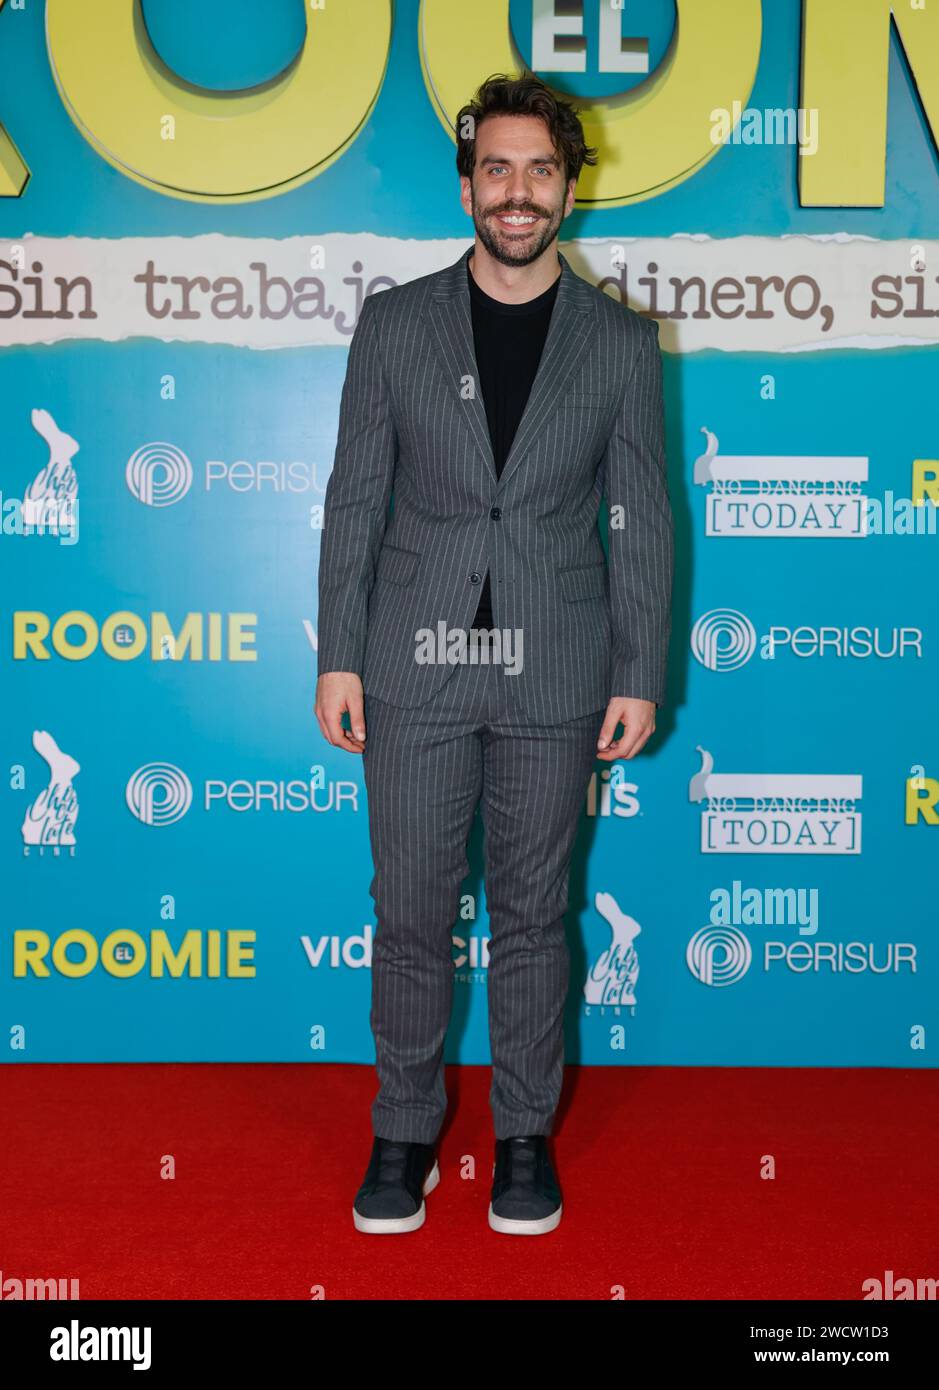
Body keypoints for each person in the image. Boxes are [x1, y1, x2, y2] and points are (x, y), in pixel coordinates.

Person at [315, 73, 674, 1236]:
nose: (517, 192)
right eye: (496, 169)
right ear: (468, 184)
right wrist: (338, 653)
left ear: (571, 187)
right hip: (414, 664)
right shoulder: (396, 323)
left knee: (531, 910)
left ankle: (524, 1137)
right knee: (413, 905)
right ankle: (404, 1131)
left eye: (540, 171)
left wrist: (637, 670)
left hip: (557, 669)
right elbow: (355, 496)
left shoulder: (621, 340)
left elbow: (645, 515)